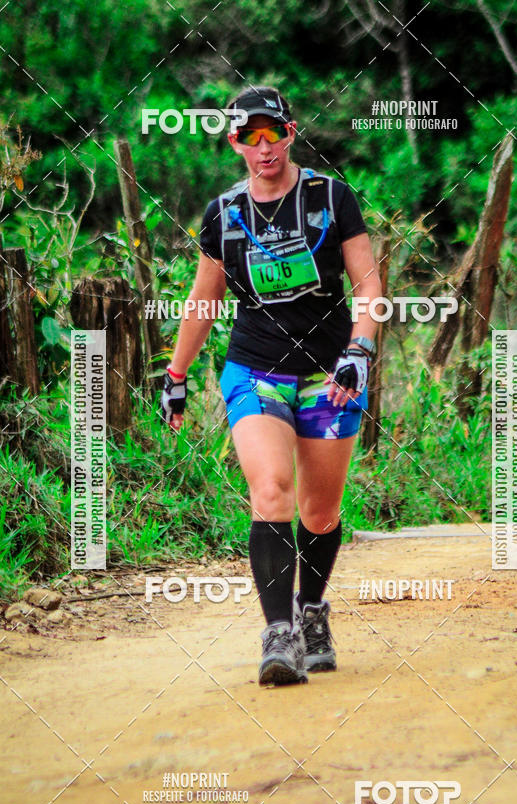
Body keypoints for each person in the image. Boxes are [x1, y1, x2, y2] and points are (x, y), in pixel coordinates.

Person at [161, 86, 381, 686]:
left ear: (290, 132)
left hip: (330, 373)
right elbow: (203, 301)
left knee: (320, 511)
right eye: (248, 136)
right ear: (234, 143)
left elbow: (368, 286)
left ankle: (312, 610)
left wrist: (359, 351)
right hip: (255, 369)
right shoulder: (224, 214)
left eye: (272, 133)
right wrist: (176, 375)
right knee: (271, 491)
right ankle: (279, 633)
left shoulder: (330, 197)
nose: (263, 147)